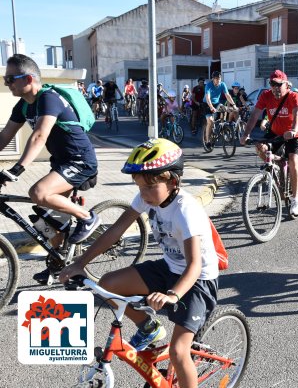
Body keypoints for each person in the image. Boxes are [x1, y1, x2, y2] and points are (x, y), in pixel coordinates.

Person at [59, 138, 219, 388]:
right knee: (108, 283)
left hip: (196, 281)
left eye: (148, 188)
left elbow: (194, 266)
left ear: (173, 182)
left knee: (178, 353)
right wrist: (80, 263)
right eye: (139, 187)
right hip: (169, 269)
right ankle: (148, 326)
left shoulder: (186, 211)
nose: (142, 195)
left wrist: (173, 296)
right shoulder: (149, 197)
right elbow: (116, 230)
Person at [0, 54, 101, 277]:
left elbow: (39, 136)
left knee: (38, 192)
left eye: (9, 79)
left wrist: (18, 168)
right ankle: (58, 264)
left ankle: (88, 218)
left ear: (27, 79)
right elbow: (5, 135)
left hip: (80, 161)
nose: (7, 83)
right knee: (52, 219)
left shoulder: (48, 98)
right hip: (62, 163)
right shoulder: (23, 106)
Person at [240, 69, 298, 216]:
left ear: (286, 84)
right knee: (260, 148)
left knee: (293, 161)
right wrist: (245, 134)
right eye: (272, 84)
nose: (275, 87)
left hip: (292, 134)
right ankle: (276, 168)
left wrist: (293, 130)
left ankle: (295, 199)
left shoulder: (293, 96)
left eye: (278, 84)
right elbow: (254, 115)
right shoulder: (266, 96)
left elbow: (297, 117)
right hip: (275, 133)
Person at [203, 71, 237, 151]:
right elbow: (207, 97)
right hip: (207, 104)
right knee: (210, 121)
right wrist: (211, 107)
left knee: (225, 109)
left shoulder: (222, 84)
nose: (218, 80)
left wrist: (234, 105)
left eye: (219, 79)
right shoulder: (209, 85)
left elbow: (227, 95)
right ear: (213, 79)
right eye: (216, 79)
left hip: (217, 103)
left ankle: (223, 126)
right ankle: (207, 141)